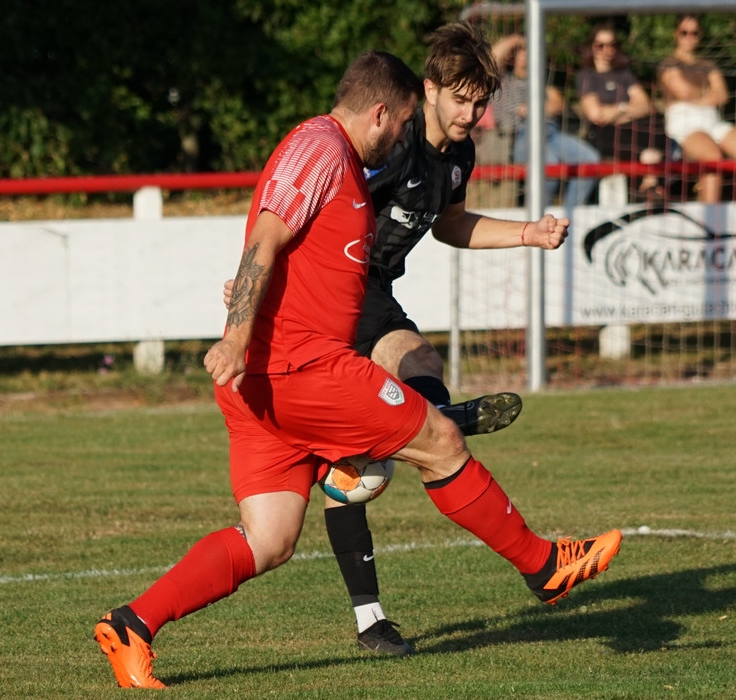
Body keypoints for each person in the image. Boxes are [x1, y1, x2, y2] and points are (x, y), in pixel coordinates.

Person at [94, 49, 623, 690]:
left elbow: (292, 252)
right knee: (441, 440)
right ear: (379, 113)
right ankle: (544, 566)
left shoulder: (342, 156)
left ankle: (133, 624)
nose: (403, 136)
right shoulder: (320, 148)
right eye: (401, 122)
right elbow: (264, 238)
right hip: (300, 368)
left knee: (269, 539)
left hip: (268, 384)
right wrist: (235, 336)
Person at [220, 22, 605, 659]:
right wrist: (263, 284)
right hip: (336, 299)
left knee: (370, 442)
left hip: (374, 294)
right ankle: (424, 439)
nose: (471, 114)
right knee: (397, 396)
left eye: (481, 103)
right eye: (460, 99)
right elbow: (302, 210)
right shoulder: (385, 147)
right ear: (427, 90)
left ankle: (416, 438)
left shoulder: (458, 157)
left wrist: (526, 234)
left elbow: (450, 225)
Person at [657, 14, 736, 203]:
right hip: (685, 124)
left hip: (712, 121)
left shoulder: (707, 64)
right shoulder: (668, 63)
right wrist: (708, 93)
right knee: (712, 156)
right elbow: (684, 91)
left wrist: (700, 95)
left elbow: (722, 95)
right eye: (684, 32)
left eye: (694, 33)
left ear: (700, 35)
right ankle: (710, 215)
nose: (689, 37)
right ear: (676, 34)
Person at [490, 33, 600, 212]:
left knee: (590, 160)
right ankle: (539, 219)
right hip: (520, 136)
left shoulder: (541, 80)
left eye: (530, 50)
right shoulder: (501, 81)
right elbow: (491, 59)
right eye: (522, 50)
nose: (527, 54)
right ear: (513, 55)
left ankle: (571, 215)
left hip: (550, 133)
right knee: (548, 165)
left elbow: (557, 104)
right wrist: (516, 39)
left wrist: (533, 108)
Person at [576, 23, 670, 200]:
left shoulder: (624, 74)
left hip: (632, 129)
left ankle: (649, 184)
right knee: (645, 142)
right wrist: (628, 108)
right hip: (603, 134)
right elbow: (596, 115)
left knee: (656, 129)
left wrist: (618, 110)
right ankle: (648, 186)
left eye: (612, 45)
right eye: (600, 45)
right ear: (592, 47)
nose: (607, 50)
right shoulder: (586, 76)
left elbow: (645, 105)